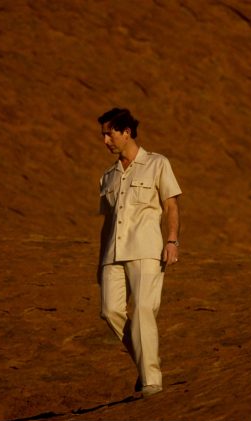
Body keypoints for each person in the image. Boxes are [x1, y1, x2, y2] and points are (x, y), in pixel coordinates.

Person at [96, 107, 182, 396]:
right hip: (112, 254)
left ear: (126, 133)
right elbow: (106, 224)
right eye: (103, 135)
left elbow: (171, 205)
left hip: (146, 249)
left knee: (144, 310)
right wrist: (100, 263)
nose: (105, 140)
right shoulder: (108, 176)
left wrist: (172, 240)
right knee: (110, 311)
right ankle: (146, 364)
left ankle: (151, 380)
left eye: (109, 134)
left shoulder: (157, 163)